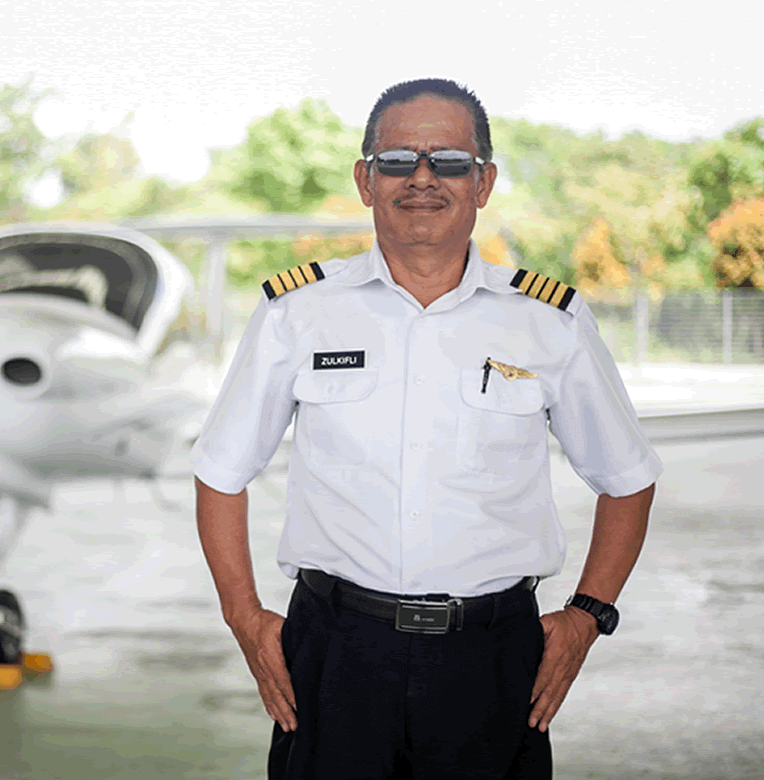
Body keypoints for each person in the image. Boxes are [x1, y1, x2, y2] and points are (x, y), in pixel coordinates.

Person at [191, 78, 661, 779]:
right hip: (335, 652)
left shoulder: (548, 322)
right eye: (396, 160)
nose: (421, 178)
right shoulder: (298, 314)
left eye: (448, 161)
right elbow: (220, 472)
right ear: (365, 180)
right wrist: (244, 616)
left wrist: (588, 615)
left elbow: (627, 479)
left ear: (483, 182)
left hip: (491, 658)